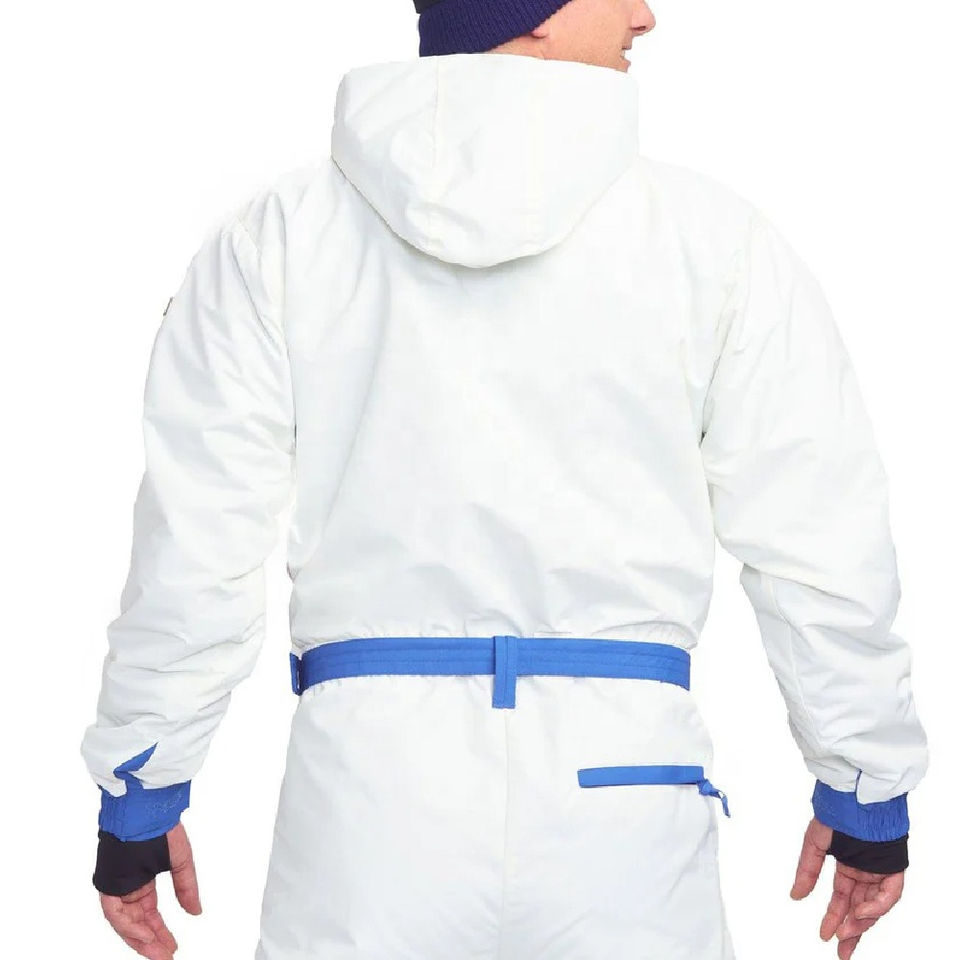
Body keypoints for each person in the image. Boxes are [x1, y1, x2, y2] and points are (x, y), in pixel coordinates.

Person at [80, 2, 929, 958]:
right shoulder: (714, 240)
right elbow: (817, 537)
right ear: (534, 16)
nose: (645, 14)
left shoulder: (275, 237)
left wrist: (140, 789)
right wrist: (866, 788)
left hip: (372, 807)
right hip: (623, 799)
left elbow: (197, 544)